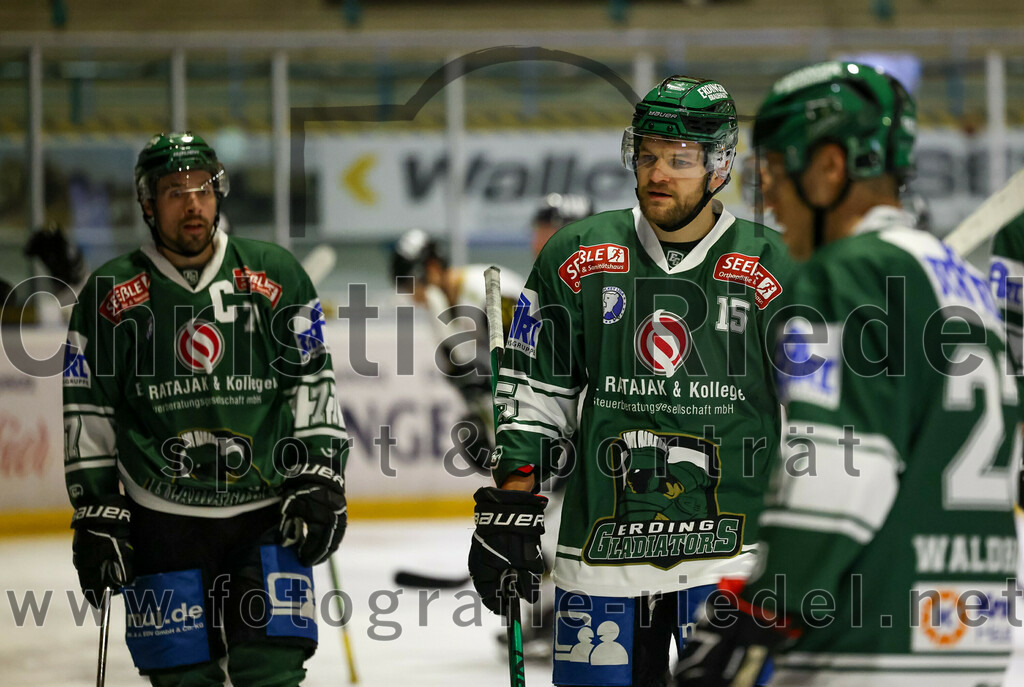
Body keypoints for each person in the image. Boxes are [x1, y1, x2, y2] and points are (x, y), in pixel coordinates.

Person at [676, 62, 1020, 687]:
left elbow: (839, 470)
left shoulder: (848, 273)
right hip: (973, 631)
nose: (769, 198)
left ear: (831, 168)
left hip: (867, 641)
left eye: (775, 172)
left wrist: (758, 608)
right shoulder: (963, 282)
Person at [468, 75, 795, 687]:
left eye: (680, 159)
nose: (657, 173)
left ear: (720, 165)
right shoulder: (577, 255)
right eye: (646, 155)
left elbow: (816, 414)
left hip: (732, 557)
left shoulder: (776, 266)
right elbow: (538, 395)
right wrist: (510, 507)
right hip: (601, 556)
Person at [63, 132, 348, 687]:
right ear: (147, 205)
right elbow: (88, 413)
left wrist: (321, 474)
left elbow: (312, 383)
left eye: (202, 189)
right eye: (174, 191)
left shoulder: (276, 275)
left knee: (273, 673)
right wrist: (95, 509)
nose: (192, 203)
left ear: (219, 196)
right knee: (183, 680)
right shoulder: (109, 293)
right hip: (160, 521)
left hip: (268, 516)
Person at [390, 228, 524, 470]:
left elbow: (527, 358)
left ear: (431, 269)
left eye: (410, 286)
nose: (411, 297)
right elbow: (463, 377)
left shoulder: (487, 290)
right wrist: (481, 420)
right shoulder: (439, 310)